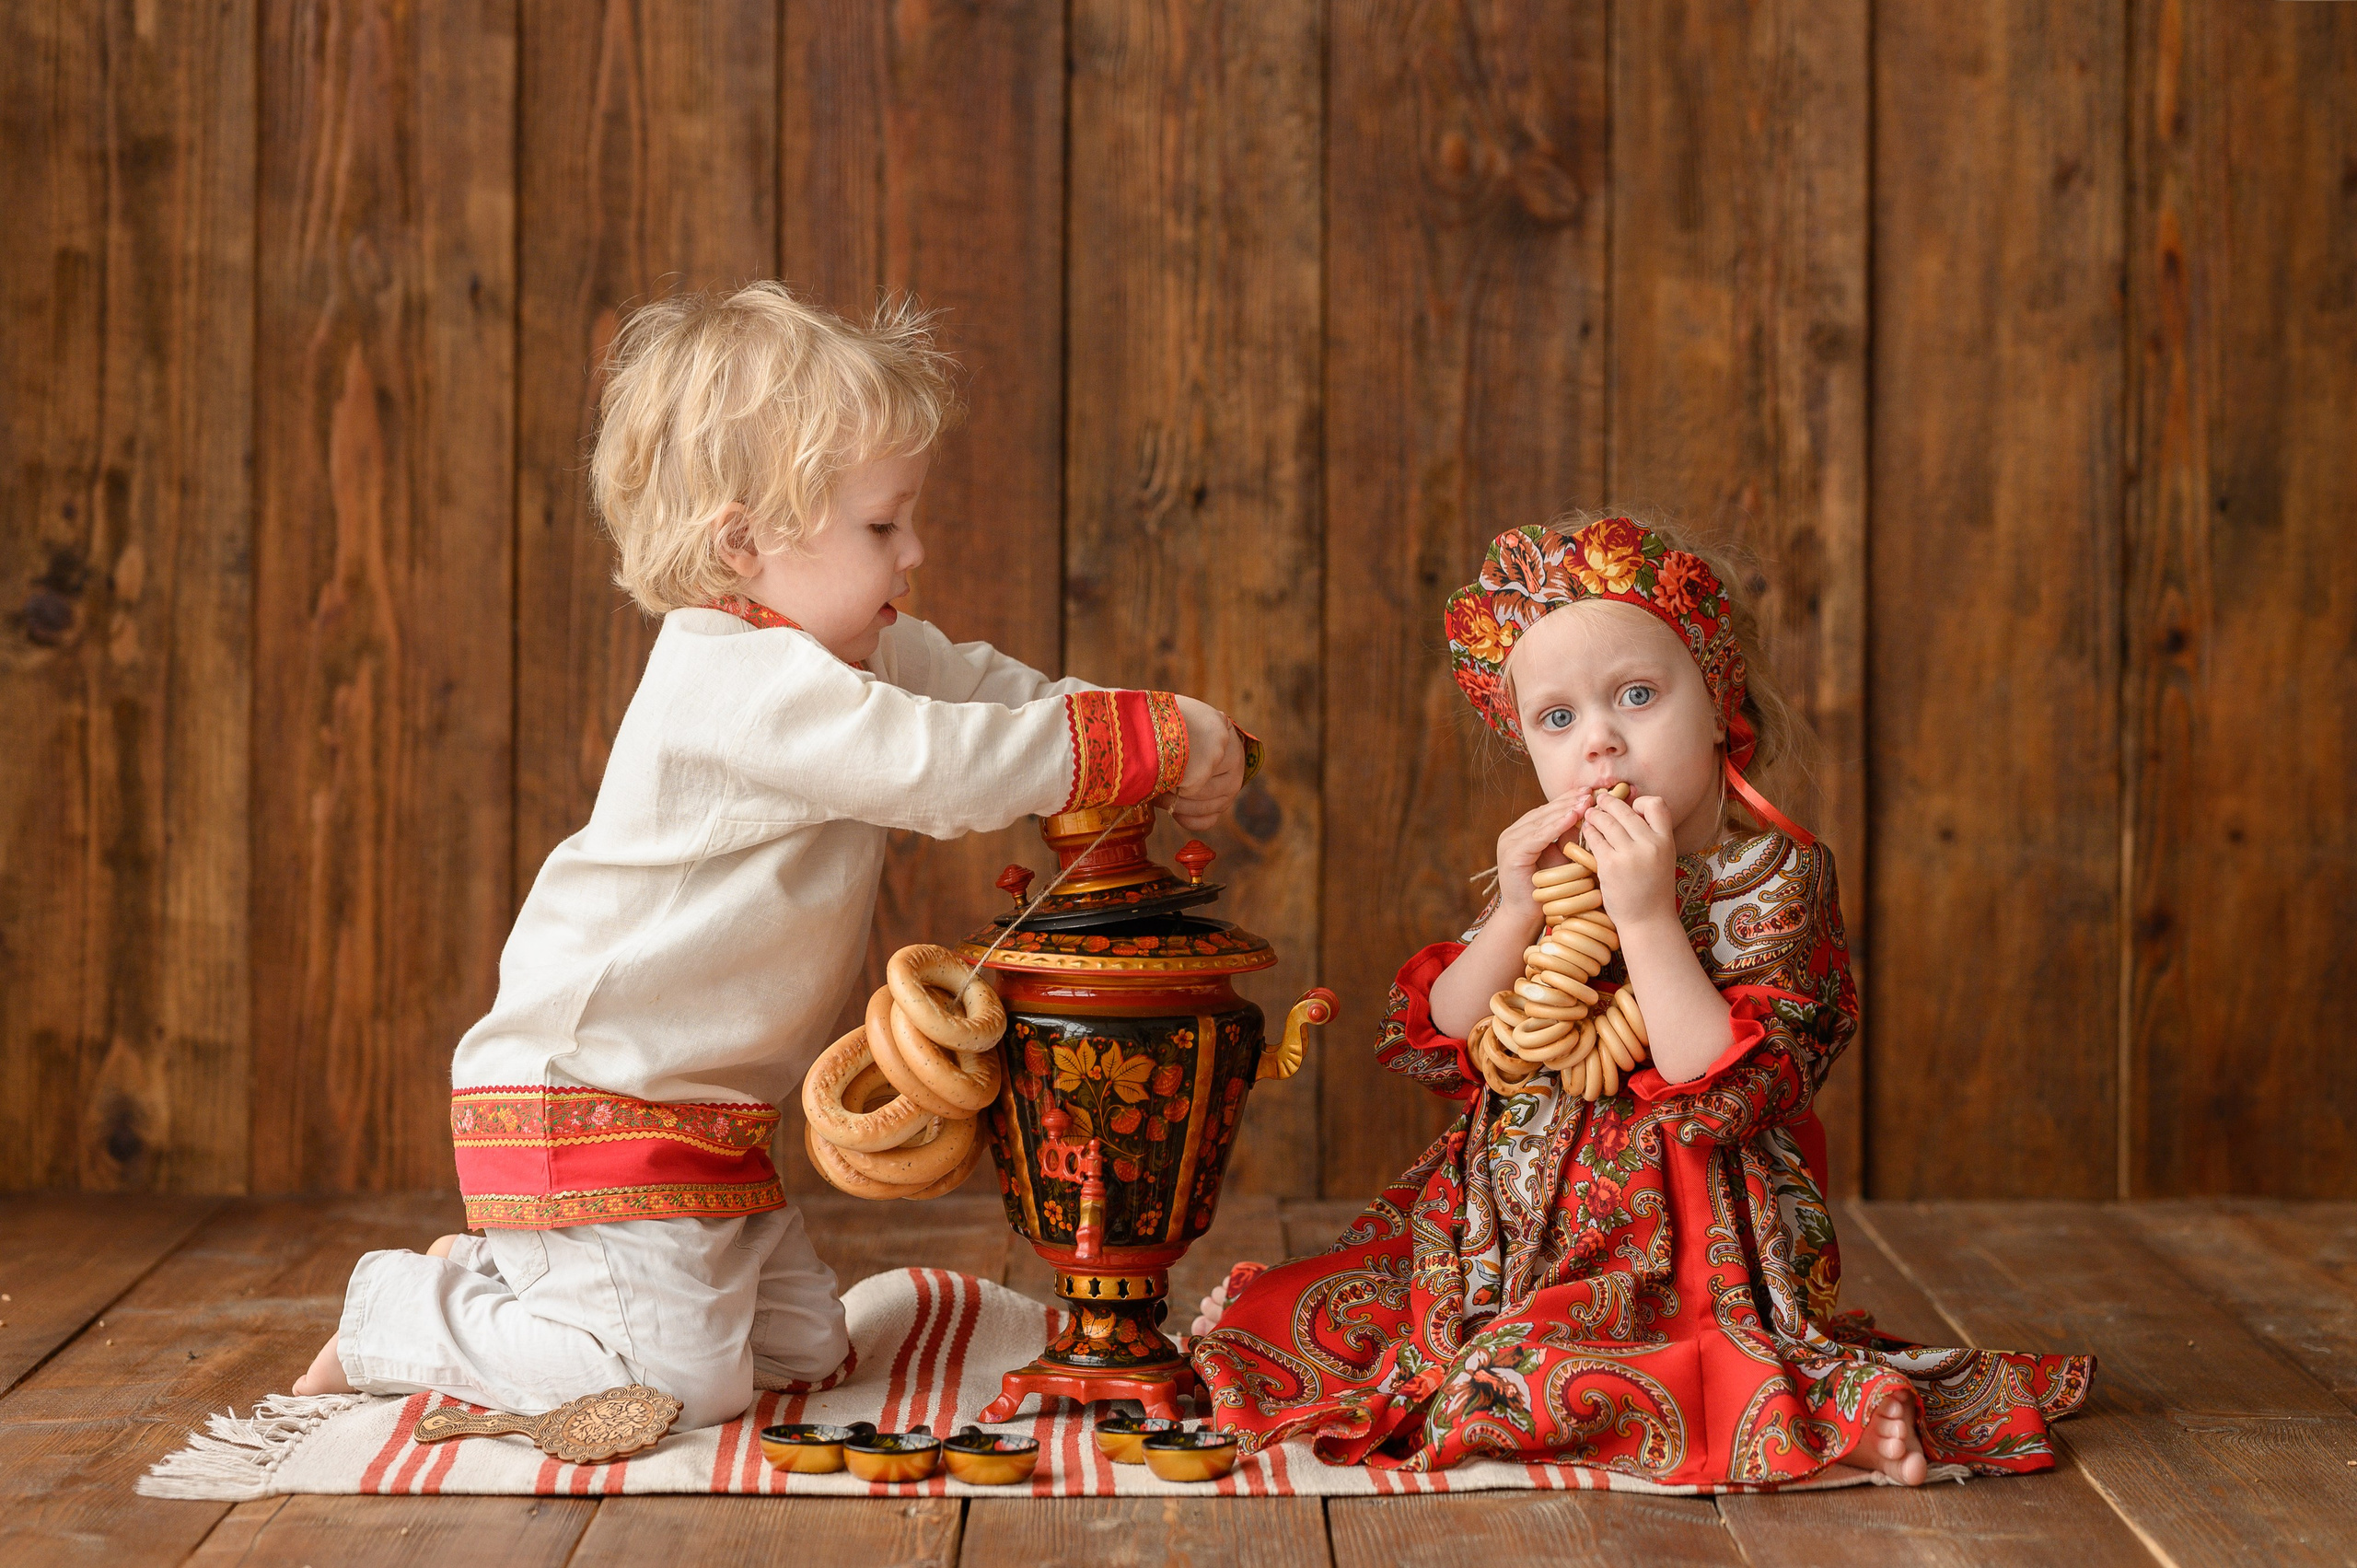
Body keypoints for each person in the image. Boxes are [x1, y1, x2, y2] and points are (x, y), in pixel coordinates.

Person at [290, 283, 1249, 1429]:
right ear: (742, 538)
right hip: (595, 1093)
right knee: (678, 1388)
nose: (916, 551)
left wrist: (1150, 721)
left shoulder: (856, 652)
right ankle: (398, 1312)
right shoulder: (735, 682)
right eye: (883, 525)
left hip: (708, 1120)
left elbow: (998, 695)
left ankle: (525, 1277)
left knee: (803, 1353)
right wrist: (1147, 745)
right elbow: (945, 766)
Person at [1189, 516, 2092, 1487]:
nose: (1601, 740)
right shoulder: (1552, 871)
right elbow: (1442, 1035)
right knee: (1307, 1319)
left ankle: (1832, 1416)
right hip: (1497, 1227)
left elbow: (1729, 1086)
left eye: (1636, 695)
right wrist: (1513, 913)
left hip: (1680, 1241)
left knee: (1522, 1377)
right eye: (1557, 718)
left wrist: (1650, 916)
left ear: (1717, 704)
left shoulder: (1773, 873)